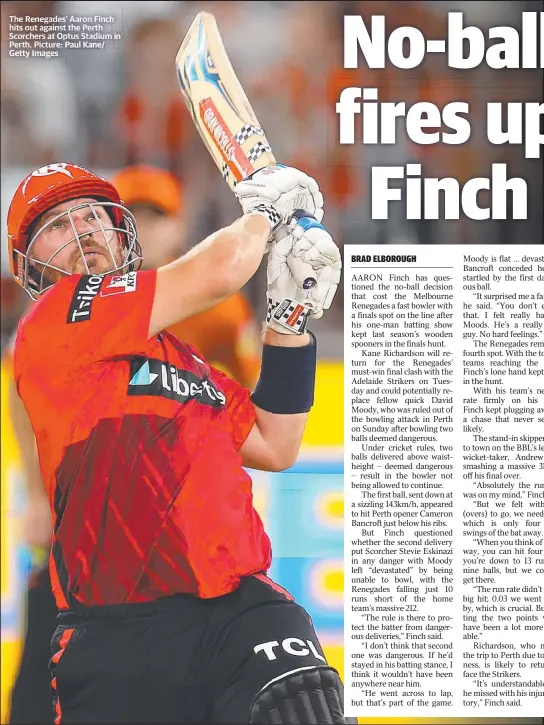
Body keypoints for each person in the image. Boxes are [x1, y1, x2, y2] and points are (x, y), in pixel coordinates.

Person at [7, 161, 346, 724]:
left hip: (236, 608)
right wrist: (265, 212)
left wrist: (290, 321)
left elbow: (274, 441)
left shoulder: (179, 354)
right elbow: (222, 270)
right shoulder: (54, 322)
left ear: (121, 235)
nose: (83, 228)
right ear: (28, 262)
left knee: (301, 701)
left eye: (93, 215)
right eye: (58, 225)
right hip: (116, 628)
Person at [110, 164, 261, 387]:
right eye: (131, 217)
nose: (143, 229)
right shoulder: (83, 299)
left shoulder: (215, 300)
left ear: (178, 228)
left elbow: (254, 385)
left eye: (155, 217)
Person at [3, 332, 57, 725]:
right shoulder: (54, 310)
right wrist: (39, 495)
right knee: (44, 637)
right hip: (67, 510)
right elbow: (18, 377)